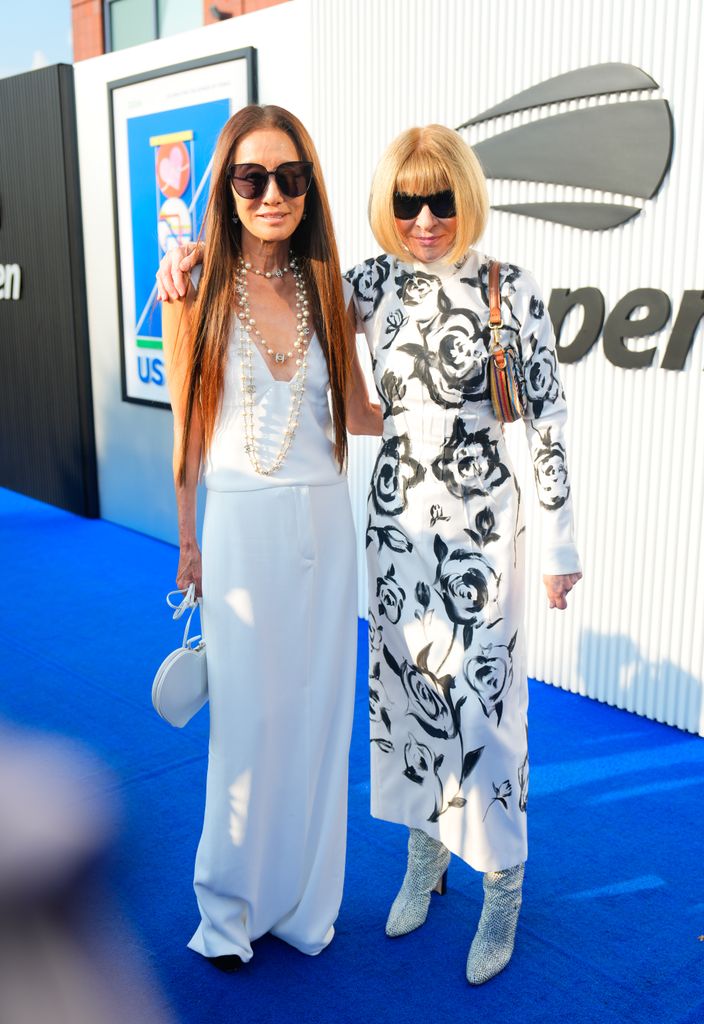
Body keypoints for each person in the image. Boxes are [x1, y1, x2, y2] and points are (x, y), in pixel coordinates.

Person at [157, 123, 582, 986]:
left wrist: (560, 543)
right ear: (385, 208)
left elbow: (548, 420)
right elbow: (274, 296)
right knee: (409, 699)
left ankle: (502, 882)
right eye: (406, 201)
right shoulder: (366, 285)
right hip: (394, 529)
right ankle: (425, 860)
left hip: (482, 527)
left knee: (487, 711)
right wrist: (193, 258)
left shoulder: (513, 288)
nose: (425, 217)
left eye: (441, 199)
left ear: (467, 196)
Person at [160, 103, 381, 973]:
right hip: (241, 527)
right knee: (248, 725)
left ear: (309, 187)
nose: (273, 194)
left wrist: (455, 394)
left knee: (321, 720)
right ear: (227, 186)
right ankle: (227, 913)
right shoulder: (193, 285)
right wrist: (189, 544)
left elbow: (359, 412)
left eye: (291, 177)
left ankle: (300, 908)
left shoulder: (330, 285)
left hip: (327, 522)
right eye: (253, 177)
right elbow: (186, 429)